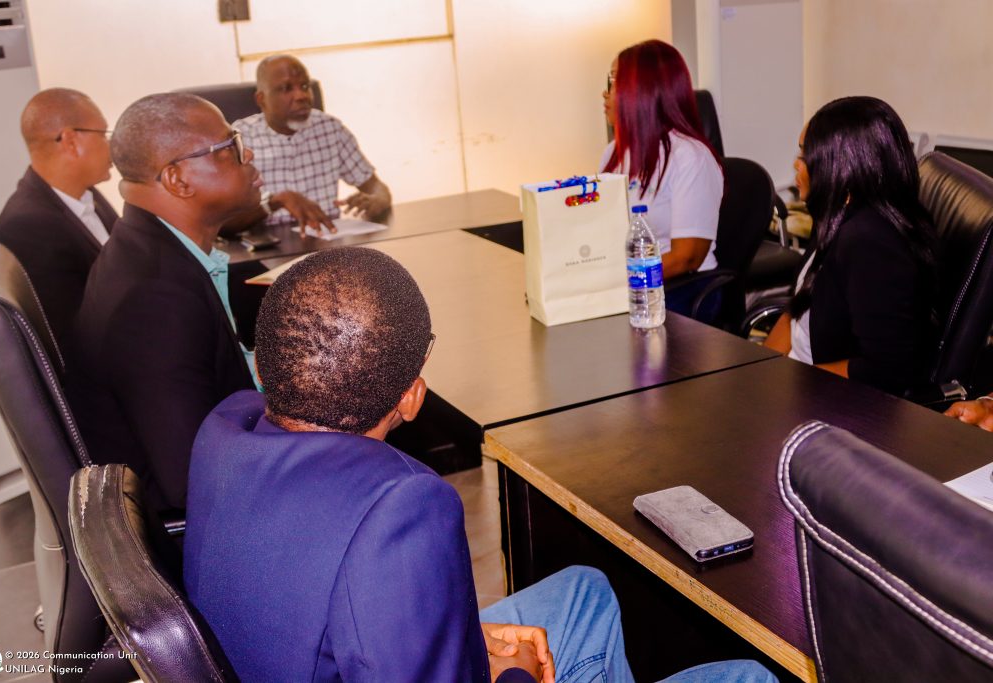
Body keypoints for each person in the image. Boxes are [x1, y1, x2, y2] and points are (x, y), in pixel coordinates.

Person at [183, 246, 779, 683]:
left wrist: (463, 640)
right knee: (749, 676)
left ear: (265, 366)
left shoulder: (225, 428)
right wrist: (515, 673)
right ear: (412, 398)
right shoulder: (398, 508)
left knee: (585, 591)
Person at [66, 93, 258, 513]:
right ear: (178, 180)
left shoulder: (149, 250)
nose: (249, 155)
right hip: (204, 524)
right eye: (232, 146)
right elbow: (195, 481)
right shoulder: (155, 301)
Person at [764, 96, 937, 395]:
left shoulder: (871, 244)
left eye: (806, 154)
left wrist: (790, 384)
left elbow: (886, 371)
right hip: (796, 383)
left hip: (829, 401)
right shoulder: (836, 213)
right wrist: (758, 371)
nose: (796, 163)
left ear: (842, 165)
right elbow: (797, 308)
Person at [601, 39, 724, 317]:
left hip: (681, 289)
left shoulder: (689, 156)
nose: (605, 93)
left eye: (614, 81)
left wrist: (617, 281)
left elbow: (686, 257)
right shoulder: (614, 153)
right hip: (634, 285)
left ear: (641, 91)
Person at [0, 88, 118, 345]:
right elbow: (75, 338)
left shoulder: (86, 194)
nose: (112, 146)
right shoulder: (28, 229)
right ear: (70, 141)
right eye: (104, 134)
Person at [232, 54, 391, 235]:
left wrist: (377, 200)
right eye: (286, 88)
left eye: (305, 86)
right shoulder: (241, 138)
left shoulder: (330, 128)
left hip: (327, 239)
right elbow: (224, 220)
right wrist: (275, 202)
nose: (301, 96)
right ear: (261, 99)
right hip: (269, 243)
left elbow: (376, 187)